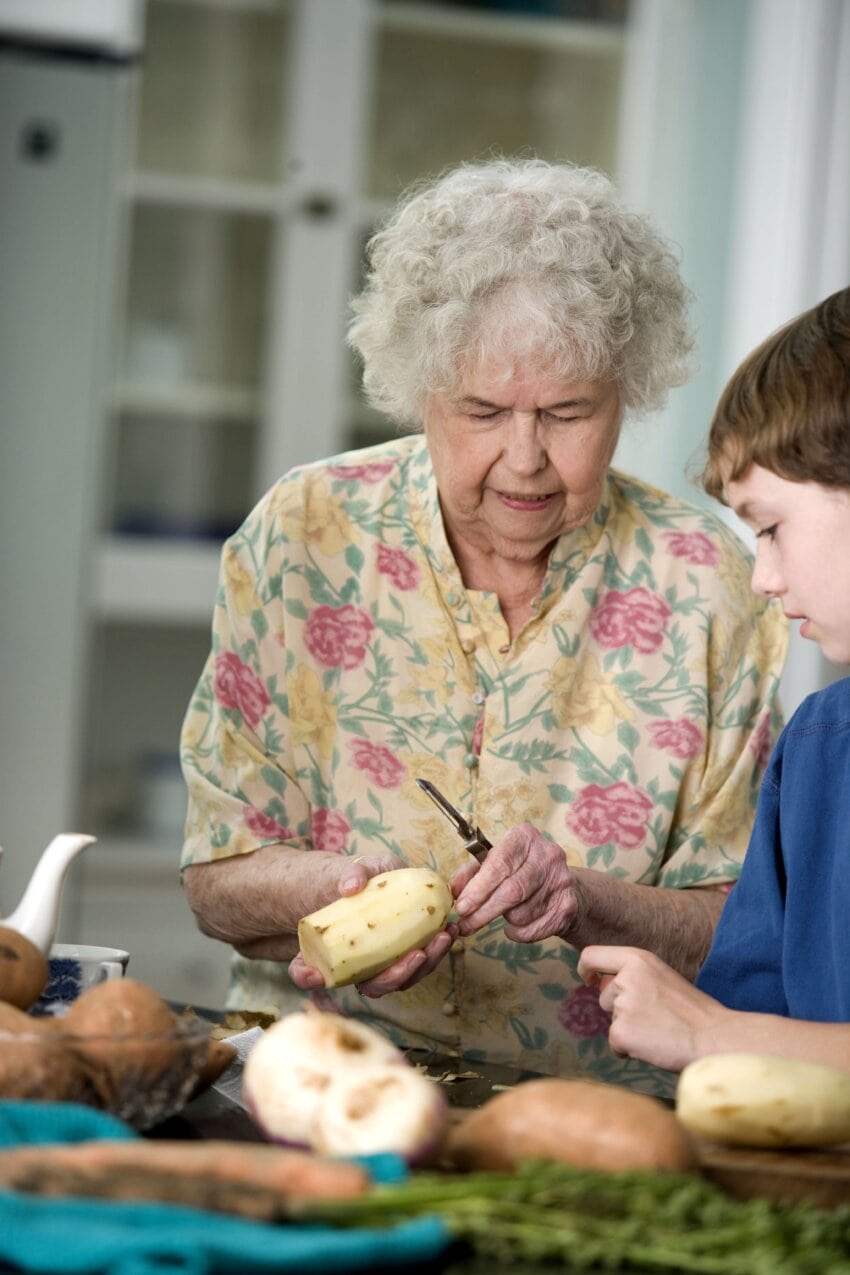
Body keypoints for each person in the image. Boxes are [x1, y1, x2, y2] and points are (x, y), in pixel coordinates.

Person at [179, 158, 787, 1094]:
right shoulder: (302, 534)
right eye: (483, 411)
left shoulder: (715, 585)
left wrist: (583, 898)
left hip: (592, 1119)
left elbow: (742, 929)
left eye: (569, 412)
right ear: (420, 389)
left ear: (628, 392)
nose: (527, 457)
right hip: (314, 1088)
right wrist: (328, 893)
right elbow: (216, 877)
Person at [578, 285, 850, 1076]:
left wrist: (707, 1031)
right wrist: (705, 1023)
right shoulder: (817, 747)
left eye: (770, 527)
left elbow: (727, 1034)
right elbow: (755, 1022)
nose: (762, 576)